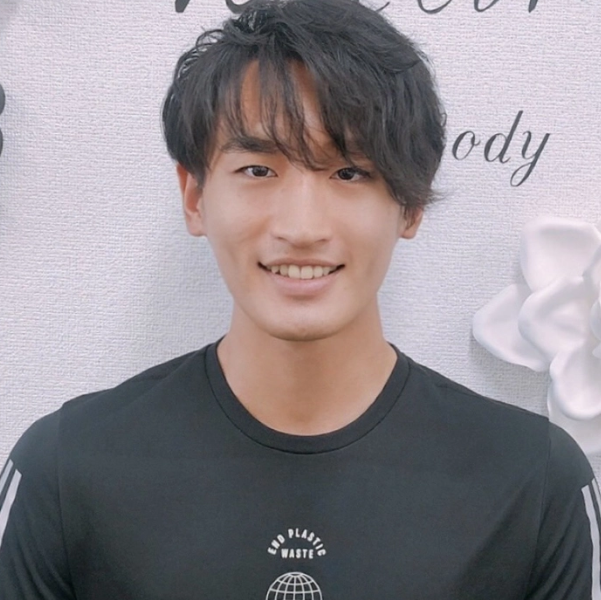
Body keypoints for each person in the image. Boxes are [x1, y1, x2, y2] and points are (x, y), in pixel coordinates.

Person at [0, 0, 599, 597]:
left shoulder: (535, 482)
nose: (302, 226)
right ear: (194, 196)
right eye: (258, 170)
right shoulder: (65, 470)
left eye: (349, 172)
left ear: (412, 203)